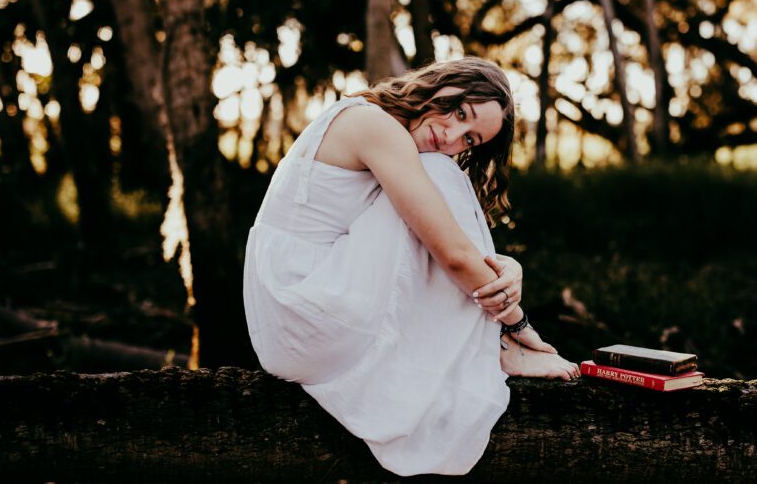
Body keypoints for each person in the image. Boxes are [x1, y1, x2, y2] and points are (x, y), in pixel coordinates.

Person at [242, 57, 579, 476]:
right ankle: (501, 347)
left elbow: (447, 242)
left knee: (439, 176)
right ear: (441, 83)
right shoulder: (372, 125)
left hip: (289, 323)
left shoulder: (374, 125)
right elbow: (452, 253)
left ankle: (496, 344)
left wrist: (508, 268)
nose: (452, 136)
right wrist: (516, 322)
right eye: (459, 112)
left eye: (469, 140)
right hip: (303, 311)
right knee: (440, 173)